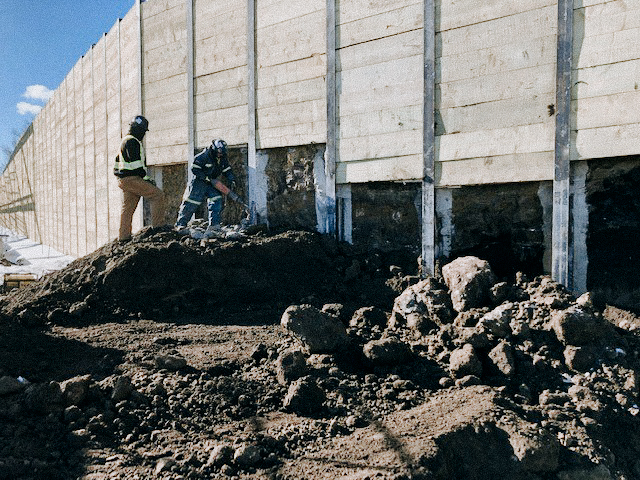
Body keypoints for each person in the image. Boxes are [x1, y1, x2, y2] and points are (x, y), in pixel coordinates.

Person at [113, 115, 167, 241]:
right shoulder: (132, 141)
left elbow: (117, 164)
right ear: (139, 129)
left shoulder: (125, 140)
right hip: (132, 178)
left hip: (124, 180)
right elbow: (136, 165)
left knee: (128, 208)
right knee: (157, 195)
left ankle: (124, 237)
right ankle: (158, 227)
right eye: (143, 130)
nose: (143, 134)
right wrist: (146, 178)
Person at [175, 139, 235, 237]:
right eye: (219, 152)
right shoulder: (204, 156)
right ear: (214, 149)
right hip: (199, 183)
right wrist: (205, 177)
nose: (220, 155)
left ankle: (214, 225)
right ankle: (181, 224)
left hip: (211, 183)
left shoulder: (222, 157)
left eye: (222, 153)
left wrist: (231, 179)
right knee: (191, 202)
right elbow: (194, 168)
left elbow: (226, 169)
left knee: (216, 198)